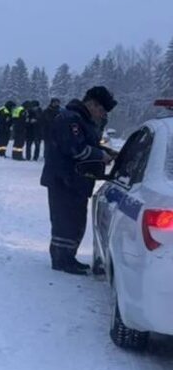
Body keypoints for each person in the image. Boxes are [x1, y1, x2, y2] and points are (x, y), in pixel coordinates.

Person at [40, 86, 116, 274]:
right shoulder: (70, 119)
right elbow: (75, 149)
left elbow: (88, 143)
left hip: (75, 180)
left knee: (75, 220)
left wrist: (107, 152)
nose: (102, 115)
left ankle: (68, 257)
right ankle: (61, 259)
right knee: (65, 221)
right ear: (92, 104)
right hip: (64, 179)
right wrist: (101, 155)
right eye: (101, 110)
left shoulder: (82, 120)